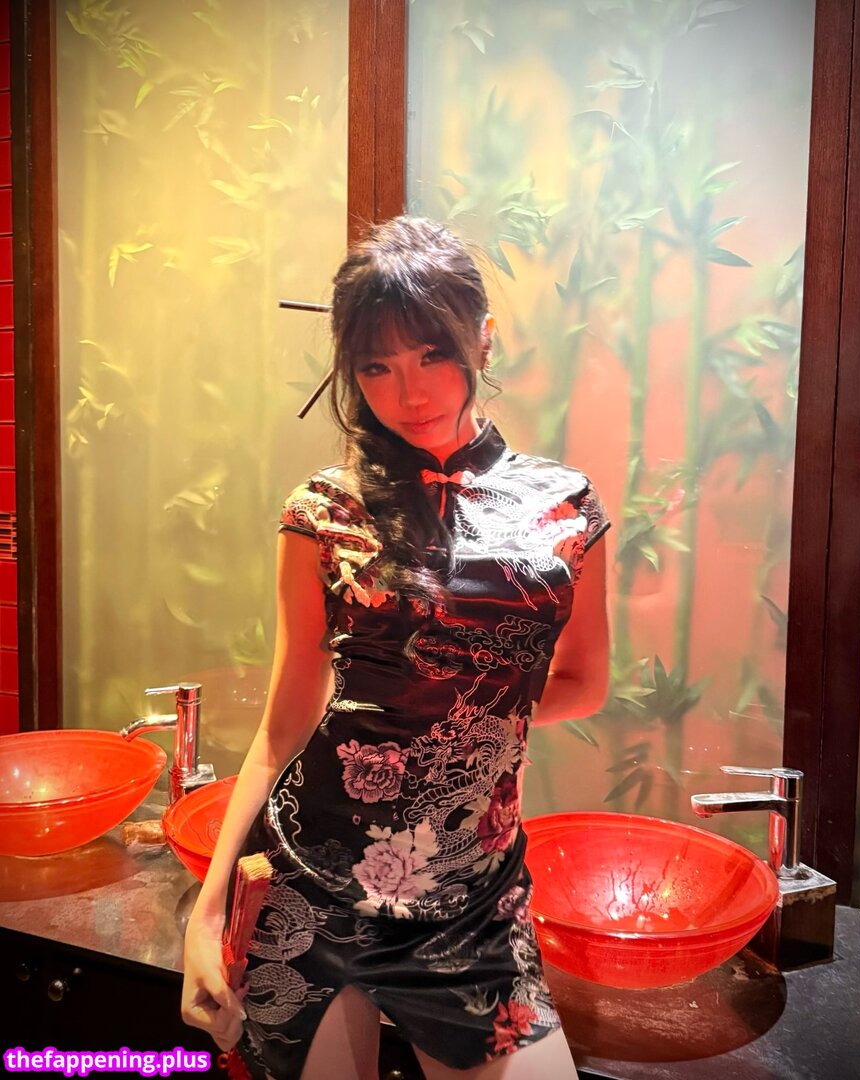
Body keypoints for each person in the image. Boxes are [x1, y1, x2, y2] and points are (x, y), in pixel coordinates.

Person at [181, 216, 611, 1080]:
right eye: (375, 367)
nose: (407, 392)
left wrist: (463, 723)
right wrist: (209, 905)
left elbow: (584, 683)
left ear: (483, 339)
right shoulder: (321, 511)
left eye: (430, 354)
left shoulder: (564, 508)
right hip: (309, 886)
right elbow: (283, 725)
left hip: (471, 901)